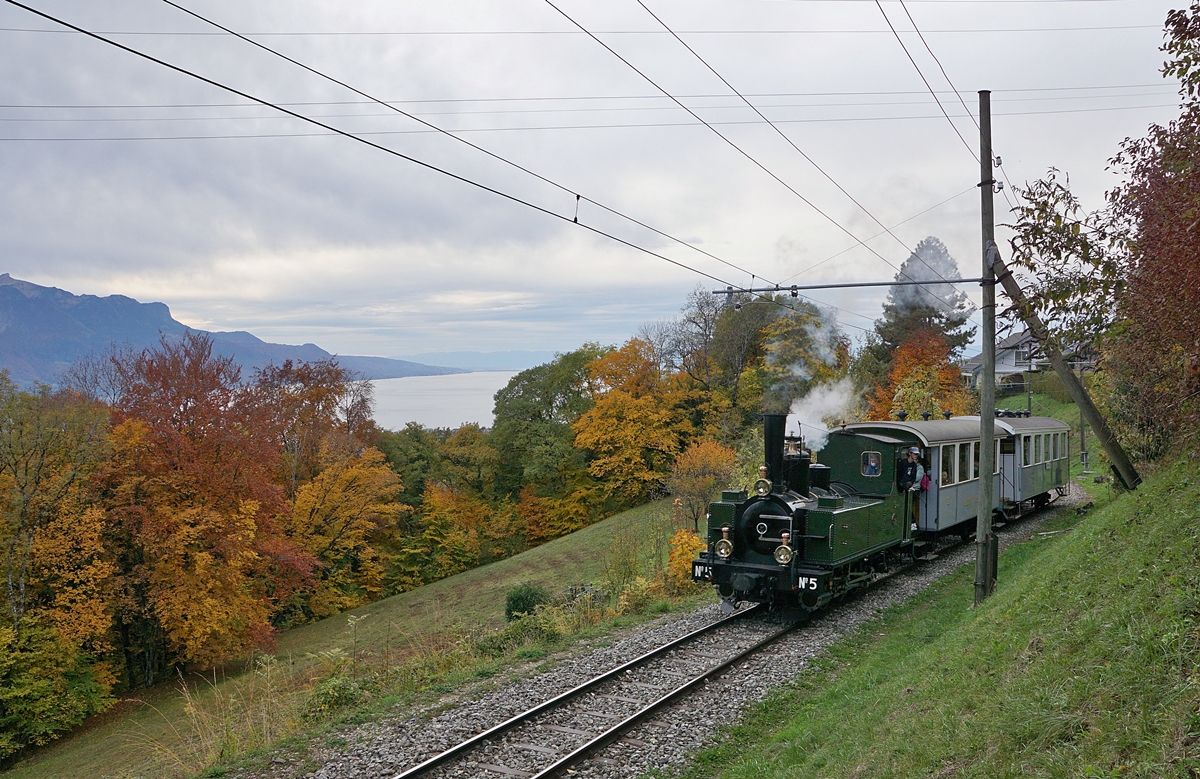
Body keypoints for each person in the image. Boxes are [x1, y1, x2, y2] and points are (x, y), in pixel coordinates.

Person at [898, 446, 925, 530]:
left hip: (909, 487)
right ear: (910, 454)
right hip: (901, 486)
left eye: (917, 454)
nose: (916, 456)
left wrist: (909, 485)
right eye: (914, 454)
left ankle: (911, 523)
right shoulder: (903, 463)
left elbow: (913, 477)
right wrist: (903, 485)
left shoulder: (914, 465)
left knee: (908, 505)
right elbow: (899, 475)